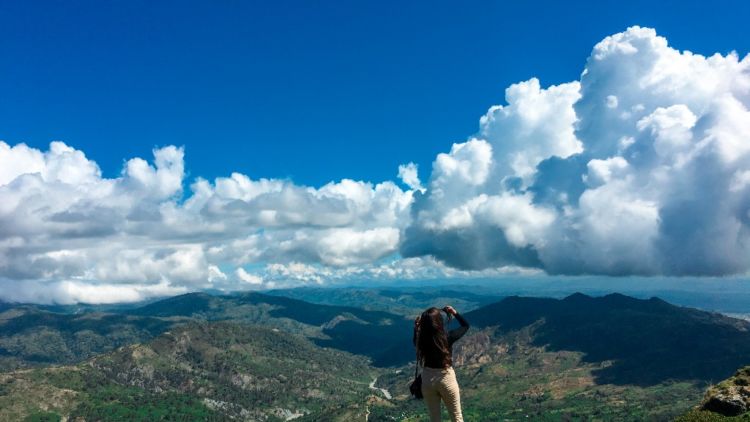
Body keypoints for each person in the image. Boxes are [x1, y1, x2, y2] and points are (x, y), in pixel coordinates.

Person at [413, 305, 470, 422]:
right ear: (439, 321)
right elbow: (465, 326)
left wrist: (416, 329)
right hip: (446, 378)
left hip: (427, 380)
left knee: (434, 418)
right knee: (456, 417)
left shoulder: (422, 339)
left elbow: (416, 341)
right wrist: (455, 313)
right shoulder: (447, 337)